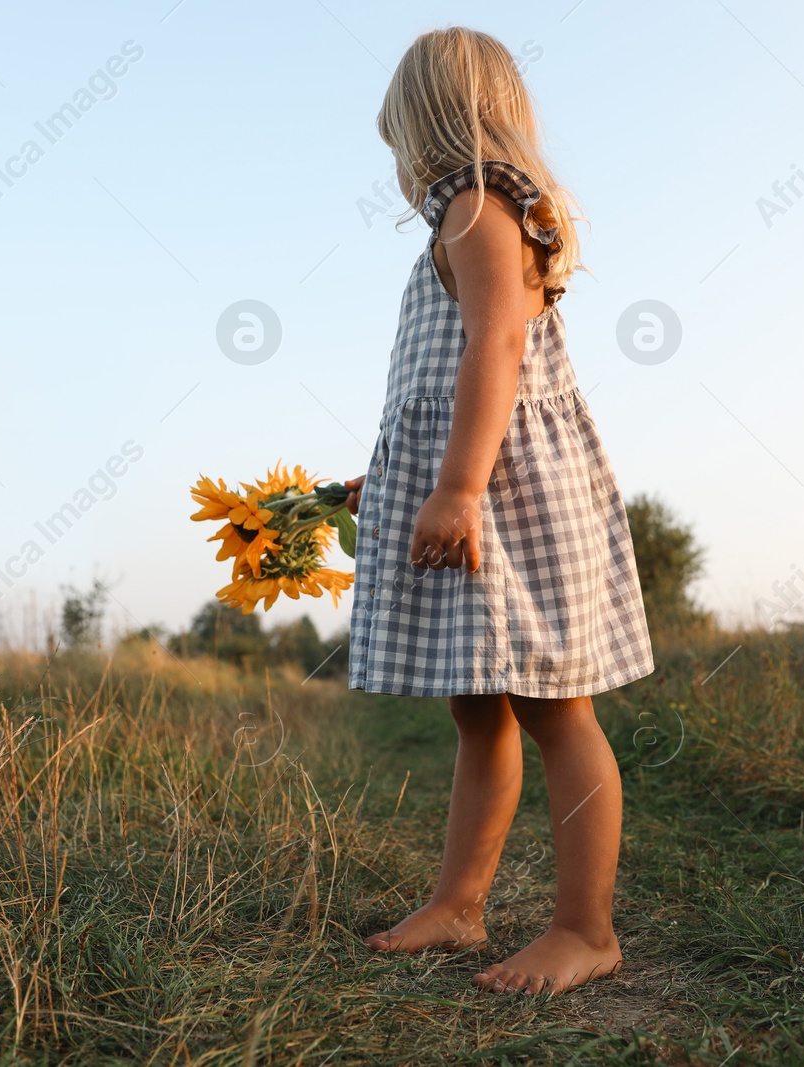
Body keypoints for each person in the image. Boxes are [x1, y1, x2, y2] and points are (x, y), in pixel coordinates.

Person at [343, 26, 655, 996]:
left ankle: (584, 927)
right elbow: (441, 375)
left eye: (397, 135)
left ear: (425, 124)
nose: (397, 160)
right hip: (478, 477)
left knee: (556, 707)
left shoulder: (479, 207)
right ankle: (459, 902)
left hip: (508, 488)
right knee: (477, 707)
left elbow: (495, 351)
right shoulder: (466, 214)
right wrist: (394, 478)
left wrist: (459, 485)